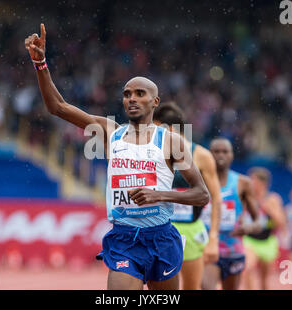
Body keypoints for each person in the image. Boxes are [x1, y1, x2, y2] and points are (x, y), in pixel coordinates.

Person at [24, 24, 210, 290]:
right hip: (124, 239)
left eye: (139, 94)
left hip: (162, 238)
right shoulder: (110, 132)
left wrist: (160, 195)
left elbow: (201, 194)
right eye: (126, 94)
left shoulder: (171, 141)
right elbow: (57, 107)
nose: (131, 99)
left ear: (155, 102)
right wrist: (41, 63)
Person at [153, 101, 222, 290]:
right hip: (161, 229)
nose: (154, 136)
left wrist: (213, 239)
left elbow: (216, 199)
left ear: (171, 129)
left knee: (192, 287)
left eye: (158, 130)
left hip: (191, 230)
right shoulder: (156, 152)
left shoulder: (201, 156)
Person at [201, 138, 260, 290]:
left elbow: (258, 222)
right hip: (207, 248)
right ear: (209, 154)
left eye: (225, 151)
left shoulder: (243, 183)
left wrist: (248, 228)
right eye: (216, 151)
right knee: (207, 287)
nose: (221, 155)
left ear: (232, 155)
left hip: (233, 250)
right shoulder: (199, 182)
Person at [242, 167, 286, 290]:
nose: (249, 183)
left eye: (252, 180)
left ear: (262, 183)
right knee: (247, 268)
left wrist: (268, 210)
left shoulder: (272, 199)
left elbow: (281, 223)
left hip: (267, 241)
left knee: (264, 279)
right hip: (249, 240)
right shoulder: (245, 198)